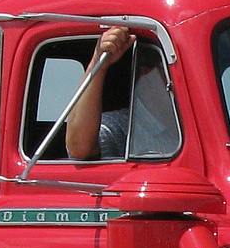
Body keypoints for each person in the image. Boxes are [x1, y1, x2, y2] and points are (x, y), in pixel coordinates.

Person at [64, 27, 180, 161]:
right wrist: (98, 64)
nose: (181, 79)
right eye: (169, 69)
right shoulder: (121, 125)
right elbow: (79, 148)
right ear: (146, 74)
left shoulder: (192, 123)